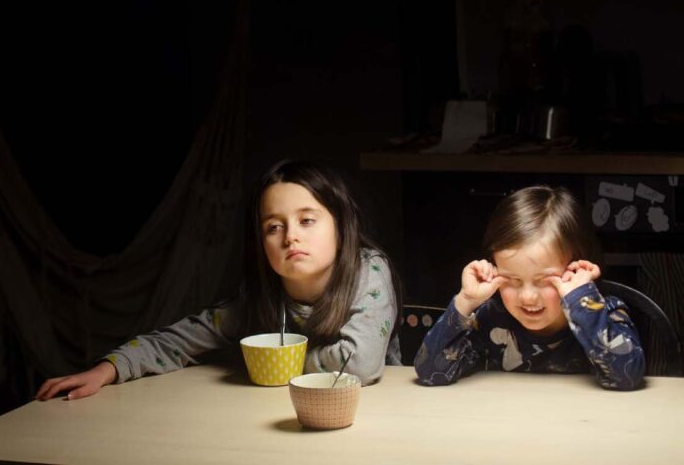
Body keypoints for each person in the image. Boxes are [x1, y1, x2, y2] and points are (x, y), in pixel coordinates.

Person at [36, 159, 401, 400]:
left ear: (341, 225)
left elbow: (361, 363)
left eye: (307, 221)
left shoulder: (368, 272)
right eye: (274, 227)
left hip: (373, 415)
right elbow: (181, 339)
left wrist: (272, 364)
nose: (290, 236)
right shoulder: (263, 297)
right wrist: (108, 369)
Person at [414, 185, 644, 391]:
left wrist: (581, 300)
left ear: (576, 269)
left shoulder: (605, 313)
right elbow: (431, 373)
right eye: (512, 280)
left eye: (545, 281)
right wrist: (466, 300)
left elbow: (628, 377)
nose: (527, 297)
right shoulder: (490, 318)